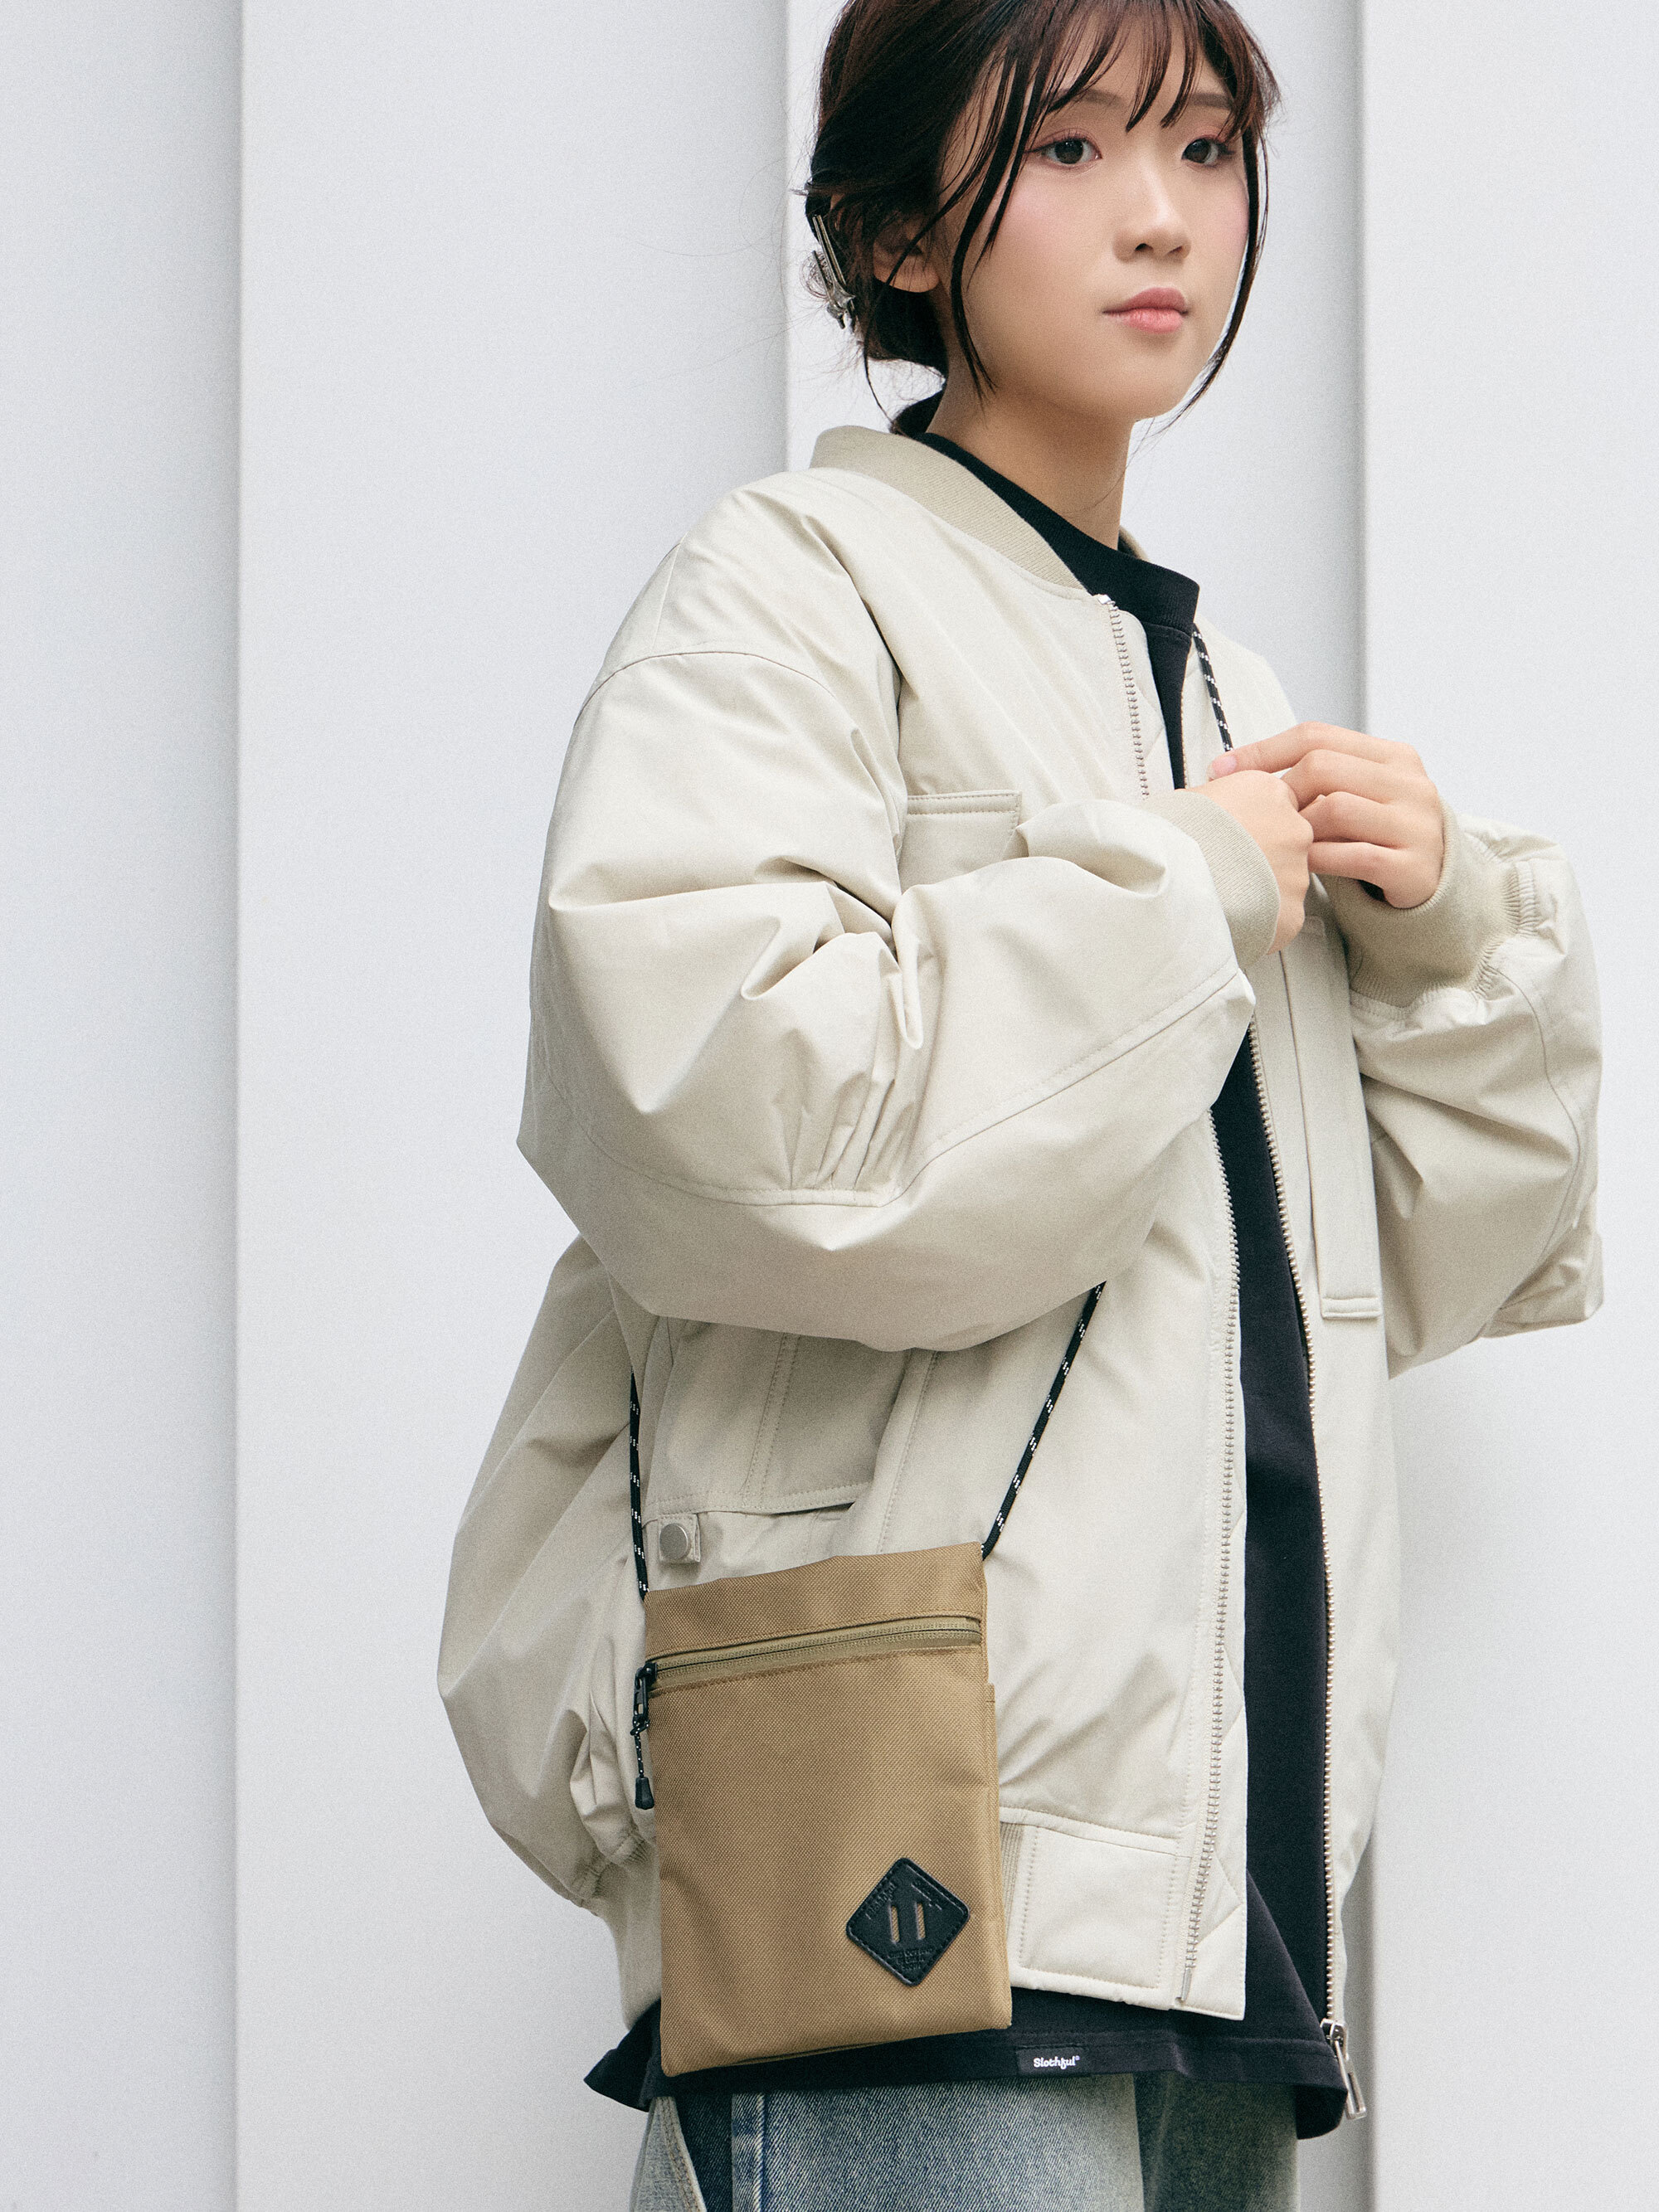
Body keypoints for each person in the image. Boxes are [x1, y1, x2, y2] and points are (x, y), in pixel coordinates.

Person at [439, 1, 1602, 2205]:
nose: (1163, 216)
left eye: (1205, 149)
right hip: (897, 1815)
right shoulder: (790, 590)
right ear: (896, 230)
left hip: (1210, 1872)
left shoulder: (1219, 692)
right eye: (1067, 150)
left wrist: (1453, 931)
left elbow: (1372, 1276)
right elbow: (722, 1114)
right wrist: (1185, 890)